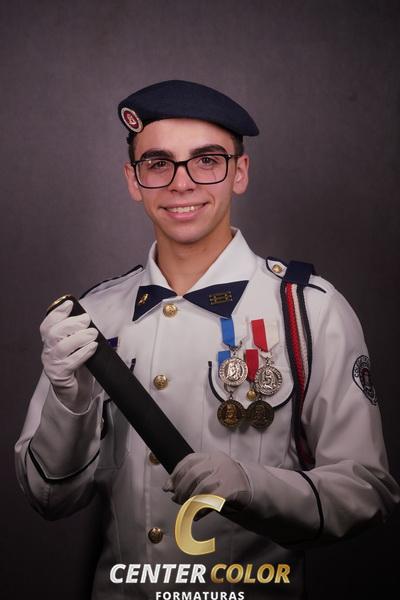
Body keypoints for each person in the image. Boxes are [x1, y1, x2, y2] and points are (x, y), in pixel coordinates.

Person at [15, 80, 399, 600]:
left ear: (240, 172)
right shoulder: (94, 315)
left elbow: (367, 491)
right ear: (133, 180)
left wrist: (252, 485)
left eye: (207, 161)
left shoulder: (309, 309)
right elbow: (48, 498)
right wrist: (71, 403)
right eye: (158, 163)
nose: (182, 183)